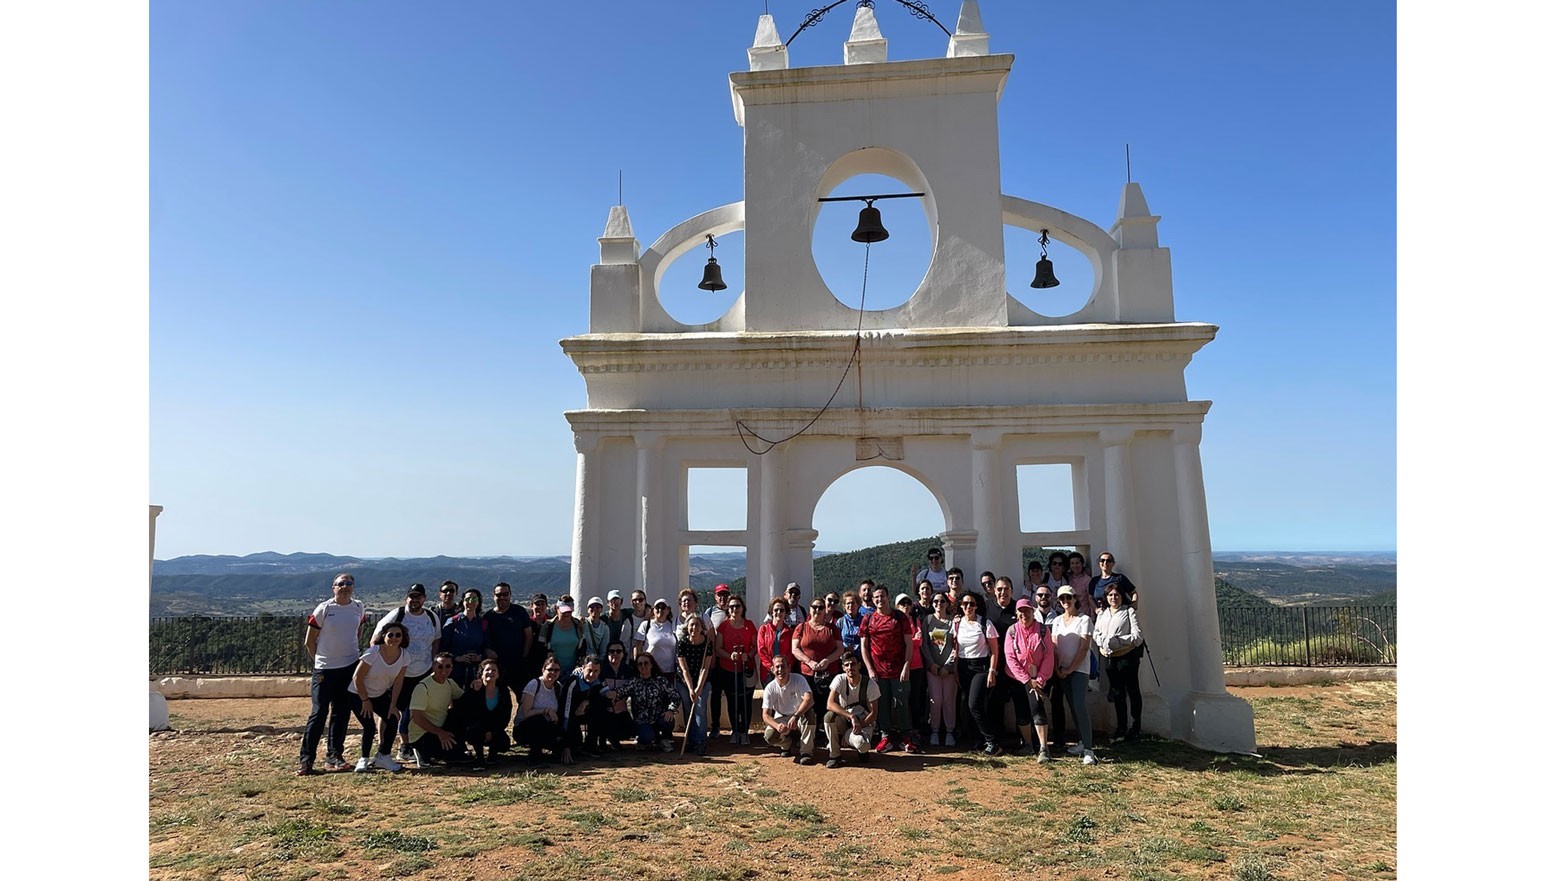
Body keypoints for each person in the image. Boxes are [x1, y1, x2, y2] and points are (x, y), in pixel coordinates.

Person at [298, 573, 367, 775]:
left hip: (349, 667)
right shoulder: (324, 609)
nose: (345, 587)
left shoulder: (358, 607)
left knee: (341, 713)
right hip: (325, 669)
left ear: (353, 586)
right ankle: (306, 760)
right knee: (318, 714)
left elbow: (358, 632)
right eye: (340, 584)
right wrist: (320, 661)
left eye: (349, 583)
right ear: (333, 587)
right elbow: (309, 641)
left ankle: (334, 756)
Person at [371, 583, 441, 763]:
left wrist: (433, 662)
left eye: (418, 596)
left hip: (422, 672)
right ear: (406, 598)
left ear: (424, 599)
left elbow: (436, 640)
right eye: (411, 596)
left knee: (413, 711)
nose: (414, 600)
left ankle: (406, 746)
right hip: (398, 673)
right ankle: (384, 747)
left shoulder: (432, 617)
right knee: (390, 710)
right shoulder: (397, 615)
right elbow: (377, 638)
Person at [859, 584, 919, 754]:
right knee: (882, 705)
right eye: (876, 597)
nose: (879, 599)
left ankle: (906, 737)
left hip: (899, 670)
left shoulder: (900, 617)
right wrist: (870, 669)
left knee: (901, 704)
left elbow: (909, 644)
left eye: (882, 596)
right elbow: (864, 646)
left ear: (888, 597)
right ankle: (886, 737)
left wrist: (906, 666)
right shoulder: (868, 619)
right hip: (878, 671)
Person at [347, 620, 409, 772]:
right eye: (390, 635)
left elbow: (398, 682)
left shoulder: (404, 655)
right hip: (357, 694)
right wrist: (365, 700)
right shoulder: (373, 652)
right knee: (369, 727)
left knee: (393, 719)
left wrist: (393, 705)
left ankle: (384, 756)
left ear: (403, 638)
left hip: (379, 695)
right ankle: (364, 758)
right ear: (384, 636)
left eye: (398, 635)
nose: (394, 638)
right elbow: (357, 677)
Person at [1004, 598, 1056, 762]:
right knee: (1021, 711)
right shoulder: (1011, 631)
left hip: (1038, 679)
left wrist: (1040, 679)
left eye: (1027, 610)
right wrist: (1026, 679)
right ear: (1016, 613)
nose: (1023, 614)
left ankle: (1043, 747)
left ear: (1032, 612)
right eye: (1020, 611)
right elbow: (1010, 657)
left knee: (1037, 709)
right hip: (1018, 679)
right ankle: (1027, 744)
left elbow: (1049, 655)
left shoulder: (1042, 630)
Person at [1051, 585, 1097, 765]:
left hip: (1079, 670)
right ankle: (1081, 742)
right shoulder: (1056, 621)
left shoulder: (1084, 620)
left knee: (1079, 705)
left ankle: (1089, 750)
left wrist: (1071, 668)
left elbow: (1084, 647)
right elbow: (1054, 646)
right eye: (1062, 599)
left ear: (1075, 598)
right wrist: (1057, 668)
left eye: (1068, 598)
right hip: (1062, 670)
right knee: (1073, 706)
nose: (1065, 602)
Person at [952, 591, 1002, 755]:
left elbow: (995, 650)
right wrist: (956, 670)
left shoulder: (985, 624)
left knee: (974, 704)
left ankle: (992, 742)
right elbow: (957, 649)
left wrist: (992, 671)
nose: (968, 607)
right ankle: (979, 741)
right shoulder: (957, 624)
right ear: (960, 605)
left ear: (977, 605)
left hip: (981, 667)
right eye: (965, 604)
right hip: (963, 667)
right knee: (968, 705)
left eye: (972, 604)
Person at [1094, 583, 1146, 741]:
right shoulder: (1102, 614)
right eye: (1110, 595)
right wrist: (1102, 641)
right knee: (1117, 693)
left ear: (1122, 596)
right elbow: (1096, 632)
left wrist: (1118, 641)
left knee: (1132, 690)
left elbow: (1137, 637)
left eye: (1116, 595)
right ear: (1106, 597)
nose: (1113, 598)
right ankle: (1121, 727)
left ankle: (1135, 727)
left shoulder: (1129, 611)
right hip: (1109, 658)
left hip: (1127, 657)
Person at [609, 650, 679, 751]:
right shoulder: (634, 682)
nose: (643, 666)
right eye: (640, 664)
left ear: (651, 665)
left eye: (646, 663)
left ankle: (664, 739)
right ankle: (651, 738)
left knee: (668, 720)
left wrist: (671, 710)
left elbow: (675, 696)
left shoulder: (660, 681)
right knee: (646, 738)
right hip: (642, 720)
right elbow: (622, 691)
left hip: (659, 717)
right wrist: (612, 694)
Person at [791, 596, 843, 732]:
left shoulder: (832, 628)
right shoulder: (801, 627)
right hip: (807, 674)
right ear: (810, 609)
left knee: (826, 704)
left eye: (821, 607)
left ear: (825, 610)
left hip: (829, 673)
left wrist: (827, 660)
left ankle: (827, 733)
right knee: (808, 704)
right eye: (814, 607)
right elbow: (795, 649)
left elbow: (840, 648)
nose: (817, 610)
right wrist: (809, 662)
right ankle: (809, 735)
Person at [407, 652, 467, 767]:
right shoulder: (423, 687)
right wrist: (440, 733)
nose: (444, 669)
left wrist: (478, 686)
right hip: (423, 733)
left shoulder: (450, 683)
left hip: (441, 729)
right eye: (440, 666)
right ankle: (419, 752)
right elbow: (418, 718)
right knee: (435, 753)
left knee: (461, 712)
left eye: (448, 666)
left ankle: (454, 751)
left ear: (452, 667)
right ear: (433, 666)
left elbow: (465, 699)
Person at [823, 652, 879, 768]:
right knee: (829, 717)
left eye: (853, 664)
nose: (850, 667)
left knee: (862, 744)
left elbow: (874, 714)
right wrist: (851, 717)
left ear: (859, 665)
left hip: (864, 722)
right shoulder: (839, 679)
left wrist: (858, 726)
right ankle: (835, 756)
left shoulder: (870, 684)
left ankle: (861, 750)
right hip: (845, 720)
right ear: (843, 667)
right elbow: (830, 704)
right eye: (846, 665)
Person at [715, 593, 758, 745]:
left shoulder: (749, 625)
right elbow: (718, 648)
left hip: (746, 669)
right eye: (731, 606)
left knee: (745, 701)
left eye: (737, 606)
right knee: (732, 701)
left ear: (742, 608)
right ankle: (735, 729)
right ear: (728, 609)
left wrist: (749, 655)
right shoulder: (723, 626)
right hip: (728, 669)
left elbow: (755, 646)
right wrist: (729, 655)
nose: (734, 609)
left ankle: (744, 731)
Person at [456, 658, 513, 769]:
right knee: (475, 732)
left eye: (494, 670)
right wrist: (483, 730)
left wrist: (492, 731)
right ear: (481, 674)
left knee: (504, 742)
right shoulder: (474, 690)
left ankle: (493, 755)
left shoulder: (503, 691)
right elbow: (466, 713)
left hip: (495, 729)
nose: (490, 673)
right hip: (477, 729)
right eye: (487, 670)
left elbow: (505, 716)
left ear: (498, 674)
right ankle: (480, 759)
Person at [761, 655, 816, 764]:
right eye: (777, 667)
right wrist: (777, 726)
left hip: (800, 715)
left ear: (789, 667)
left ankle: (806, 752)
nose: (780, 670)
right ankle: (786, 745)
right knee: (770, 736)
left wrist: (796, 716)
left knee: (810, 714)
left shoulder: (799, 679)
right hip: (782, 718)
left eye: (783, 666)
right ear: (772, 670)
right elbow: (765, 715)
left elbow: (809, 699)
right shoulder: (770, 688)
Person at [920, 592, 957, 747]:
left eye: (942, 601)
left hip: (949, 670)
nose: (939, 604)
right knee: (935, 701)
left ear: (947, 604)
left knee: (949, 700)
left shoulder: (953, 623)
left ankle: (949, 732)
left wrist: (948, 666)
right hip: (933, 669)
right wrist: (931, 664)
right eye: (935, 601)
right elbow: (924, 644)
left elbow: (956, 646)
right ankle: (935, 731)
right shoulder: (928, 620)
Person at [558, 654, 609, 763]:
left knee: (602, 710)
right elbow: (565, 711)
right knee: (574, 745)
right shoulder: (573, 682)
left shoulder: (600, 679)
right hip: (571, 716)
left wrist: (587, 702)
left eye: (596, 671)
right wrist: (565, 745)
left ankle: (594, 745)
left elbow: (606, 700)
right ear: (582, 668)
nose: (592, 674)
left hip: (587, 712)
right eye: (589, 670)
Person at [675, 614, 714, 756]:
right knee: (687, 707)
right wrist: (691, 688)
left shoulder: (707, 643)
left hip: (702, 681)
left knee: (699, 707)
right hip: (684, 681)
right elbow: (684, 669)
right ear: (687, 627)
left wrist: (698, 688)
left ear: (701, 627)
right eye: (691, 625)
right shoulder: (682, 643)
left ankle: (701, 741)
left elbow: (705, 668)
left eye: (697, 625)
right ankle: (691, 740)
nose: (694, 628)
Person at [486, 582, 533, 696]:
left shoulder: (519, 611)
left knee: (522, 696)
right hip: (498, 666)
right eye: (499, 594)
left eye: (505, 594)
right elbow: (484, 639)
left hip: (518, 664)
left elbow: (529, 636)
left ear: (510, 595)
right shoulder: (488, 617)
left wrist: (524, 657)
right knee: (499, 697)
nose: (502, 597)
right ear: (494, 596)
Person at [515, 658, 564, 765]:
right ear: (543, 670)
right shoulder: (534, 684)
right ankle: (534, 757)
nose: (553, 673)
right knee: (538, 721)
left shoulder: (558, 687)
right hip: (525, 727)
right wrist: (546, 711)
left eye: (556, 670)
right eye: (550, 669)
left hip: (547, 726)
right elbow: (526, 713)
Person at [706, 584, 733, 738]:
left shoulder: (734, 611)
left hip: (731, 661)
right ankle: (715, 726)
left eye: (725, 594)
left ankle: (733, 726)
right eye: (719, 595)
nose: (722, 598)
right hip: (716, 662)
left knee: (731, 695)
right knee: (716, 695)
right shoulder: (710, 613)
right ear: (715, 597)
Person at [598, 641, 637, 748]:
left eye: (618, 651)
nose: (615, 653)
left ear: (623, 654)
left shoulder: (628, 670)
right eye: (612, 651)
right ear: (607, 653)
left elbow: (631, 687)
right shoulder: (601, 669)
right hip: (605, 709)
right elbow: (598, 686)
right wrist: (607, 694)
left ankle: (614, 738)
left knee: (628, 731)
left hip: (622, 709)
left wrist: (617, 693)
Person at [636, 599, 678, 684]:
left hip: (669, 672)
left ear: (668, 610)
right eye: (657, 608)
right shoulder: (646, 625)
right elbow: (638, 647)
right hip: (650, 671)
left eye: (663, 608)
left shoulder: (673, 625)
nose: (660, 610)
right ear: (653, 610)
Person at [757, 597, 796, 684]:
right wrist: (771, 667)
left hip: (784, 673)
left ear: (785, 613)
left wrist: (784, 667)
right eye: (776, 610)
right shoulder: (763, 629)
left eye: (781, 610)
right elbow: (761, 650)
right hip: (768, 672)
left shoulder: (790, 632)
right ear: (771, 612)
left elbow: (792, 653)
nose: (778, 612)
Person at [542, 600, 585, 675]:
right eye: (564, 611)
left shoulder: (578, 625)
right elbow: (539, 648)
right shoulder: (548, 626)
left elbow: (583, 646)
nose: (567, 614)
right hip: (552, 672)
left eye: (569, 611)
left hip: (574, 672)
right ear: (557, 608)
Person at [605, 590, 639, 658]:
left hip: (623, 654)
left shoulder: (627, 613)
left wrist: (647, 611)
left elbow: (643, 609)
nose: (615, 602)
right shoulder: (604, 618)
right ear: (608, 603)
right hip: (608, 654)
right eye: (612, 600)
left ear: (622, 601)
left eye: (617, 599)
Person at [579, 597, 611, 669]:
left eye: (598, 607)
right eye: (592, 607)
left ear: (601, 609)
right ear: (588, 609)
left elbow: (604, 648)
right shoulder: (583, 624)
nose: (595, 609)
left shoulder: (605, 628)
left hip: (596, 663)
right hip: (583, 661)